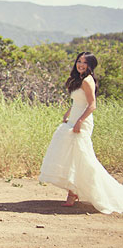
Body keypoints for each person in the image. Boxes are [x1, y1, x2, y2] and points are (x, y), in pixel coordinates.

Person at [38, 52, 123, 214]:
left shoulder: (87, 80)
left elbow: (92, 105)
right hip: (74, 119)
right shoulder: (78, 80)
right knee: (70, 155)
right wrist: (68, 113)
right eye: (79, 61)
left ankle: (82, 192)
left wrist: (79, 121)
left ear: (91, 65)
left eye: (84, 62)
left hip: (82, 122)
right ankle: (73, 190)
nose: (80, 65)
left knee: (83, 157)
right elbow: (79, 101)